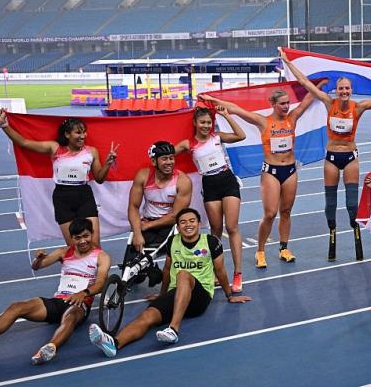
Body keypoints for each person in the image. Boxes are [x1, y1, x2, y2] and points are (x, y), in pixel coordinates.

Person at [281, 49, 371, 261]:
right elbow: (305, 83)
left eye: (347, 88)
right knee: (330, 202)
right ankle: (332, 230)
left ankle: (354, 227)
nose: (344, 91)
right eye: (340, 88)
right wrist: (288, 62)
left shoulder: (359, 107)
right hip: (330, 157)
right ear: (336, 90)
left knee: (351, 203)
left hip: (350, 158)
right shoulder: (329, 103)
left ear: (351, 90)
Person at [89, 208, 250, 357]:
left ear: (199, 224)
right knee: (147, 316)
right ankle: (114, 343)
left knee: (183, 275)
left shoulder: (211, 242)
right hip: (176, 293)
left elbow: (220, 271)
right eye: (183, 222)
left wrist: (230, 295)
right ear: (178, 227)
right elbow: (166, 270)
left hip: (200, 296)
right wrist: (161, 295)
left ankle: (173, 329)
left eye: (192, 221)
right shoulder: (173, 241)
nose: (188, 225)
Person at [0, 218, 110, 365]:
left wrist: (83, 293)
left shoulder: (101, 257)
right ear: (71, 238)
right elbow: (37, 267)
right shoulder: (63, 252)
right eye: (77, 238)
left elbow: (101, 284)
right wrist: (38, 259)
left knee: (69, 317)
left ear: (92, 234)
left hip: (80, 304)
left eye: (86, 236)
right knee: (16, 307)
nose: (82, 241)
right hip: (58, 301)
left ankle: (50, 347)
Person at [198, 82, 320, 268]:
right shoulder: (263, 121)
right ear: (273, 104)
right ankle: (260, 251)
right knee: (270, 214)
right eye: (282, 103)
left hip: (290, 171)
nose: (287, 106)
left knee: (286, 212)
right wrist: (213, 100)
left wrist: (319, 84)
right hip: (271, 172)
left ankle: (284, 248)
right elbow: (237, 110)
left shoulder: (293, 118)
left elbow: (307, 100)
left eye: (288, 103)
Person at [0, 109, 118, 247]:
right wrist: (4, 126)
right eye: (78, 132)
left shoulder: (91, 151)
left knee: (94, 244)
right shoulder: (55, 148)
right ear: (67, 134)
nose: (83, 136)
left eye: (84, 132)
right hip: (62, 198)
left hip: (84, 196)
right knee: (74, 246)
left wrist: (107, 163)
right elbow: (23, 143)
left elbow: (100, 178)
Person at [176, 105, 246, 291]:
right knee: (215, 230)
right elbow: (166, 152)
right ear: (195, 123)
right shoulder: (188, 144)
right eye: (203, 122)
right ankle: (216, 271)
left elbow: (241, 135)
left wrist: (226, 115)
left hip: (227, 180)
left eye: (209, 122)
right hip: (209, 185)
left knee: (232, 227)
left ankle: (238, 273)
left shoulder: (218, 137)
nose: (206, 125)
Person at [127, 141, 192, 273]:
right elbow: (133, 207)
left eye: (171, 158)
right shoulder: (143, 176)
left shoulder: (183, 181)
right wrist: (137, 233)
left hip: (169, 225)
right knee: (131, 270)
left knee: (175, 261)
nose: (169, 162)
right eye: (164, 159)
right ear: (153, 161)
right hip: (147, 222)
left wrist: (148, 225)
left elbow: (176, 216)